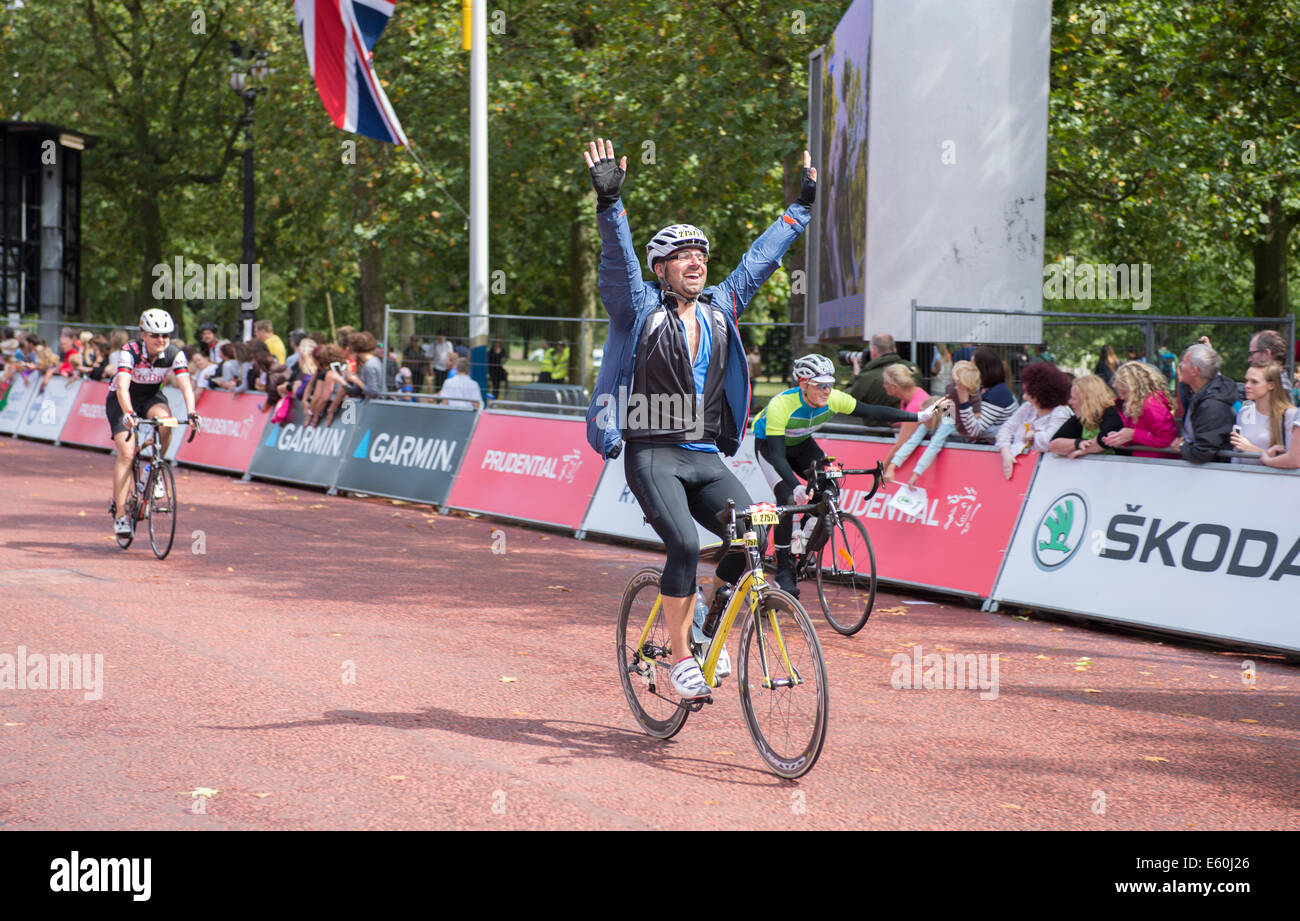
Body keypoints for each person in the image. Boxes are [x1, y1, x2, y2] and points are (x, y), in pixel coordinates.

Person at [583, 137, 815, 701]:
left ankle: (709, 622)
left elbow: (757, 262)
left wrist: (800, 209)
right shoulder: (636, 309)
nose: (696, 261)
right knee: (684, 545)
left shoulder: (720, 309)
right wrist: (611, 205)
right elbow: (618, 264)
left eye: (701, 255)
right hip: (652, 450)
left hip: (705, 454)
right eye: (682, 255)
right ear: (662, 269)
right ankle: (681, 657)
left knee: (757, 531)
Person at [754, 354, 941, 594]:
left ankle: (801, 538)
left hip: (801, 444)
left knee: (830, 486)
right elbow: (779, 457)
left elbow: (873, 411)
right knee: (788, 498)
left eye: (830, 384)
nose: (827, 390)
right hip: (771, 447)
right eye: (820, 385)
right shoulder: (781, 404)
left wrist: (918, 416)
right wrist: (796, 486)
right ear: (803, 384)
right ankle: (782, 570)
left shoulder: (834, 399)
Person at [108, 309, 201, 538]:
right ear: (143, 335)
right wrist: (129, 413)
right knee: (127, 453)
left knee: (167, 422)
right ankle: (120, 515)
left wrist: (191, 411)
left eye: (165, 336)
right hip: (123, 398)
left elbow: (185, 384)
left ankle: (156, 469)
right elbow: (122, 387)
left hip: (151, 396)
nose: (161, 340)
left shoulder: (174, 354)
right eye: (155, 335)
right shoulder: (129, 352)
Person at [995, 362, 1073, 479]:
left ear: (1040, 394)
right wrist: (1006, 453)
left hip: (1048, 473)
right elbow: (1006, 429)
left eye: (1028, 392)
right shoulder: (1028, 407)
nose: (1024, 397)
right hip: (1023, 469)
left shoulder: (1061, 412)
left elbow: (1049, 443)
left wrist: (1033, 435)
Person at [1173, 344, 1236, 463]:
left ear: (1195, 371)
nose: (1180, 365)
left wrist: (1182, 447)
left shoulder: (1212, 404)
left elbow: (1203, 452)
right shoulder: (1197, 394)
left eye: (1184, 362)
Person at [1100, 361, 1177, 458]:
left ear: (1136, 389)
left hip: (1158, 463)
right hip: (1145, 461)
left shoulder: (1151, 405)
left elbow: (1168, 439)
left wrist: (1133, 435)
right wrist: (1121, 438)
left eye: (1124, 393)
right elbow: (1143, 436)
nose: (1122, 398)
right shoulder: (1136, 405)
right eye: (1119, 393)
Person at [1228, 361, 1296, 465]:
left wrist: (1253, 450)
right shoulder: (1245, 411)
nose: (1247, 386)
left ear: (1271, 385)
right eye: (1246, 381)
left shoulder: (1289, 414)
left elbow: (1293, 459)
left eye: (1254, 382)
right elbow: (1236, 453)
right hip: (1242, 476)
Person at [1048, 374, 1124, 458]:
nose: (1069, 402)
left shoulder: (1112, 413)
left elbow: (1104, 440)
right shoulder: (1081, 417)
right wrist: (1078, 443)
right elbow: (1053, 445)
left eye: (1073, 398)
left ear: (1087, 400)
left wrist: (1084, 449)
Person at [956, 346, 1019, 442]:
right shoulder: (983, 388)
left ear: (983, 369)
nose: (968, 369)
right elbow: (951, 420)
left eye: (972, 366)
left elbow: (974, 430)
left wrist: (963, 400)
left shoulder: (999, 392)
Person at [845, 333, 921, 407]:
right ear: (895, 349)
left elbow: (846, 400)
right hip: (912, 417)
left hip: (880, 419)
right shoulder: (912, 369)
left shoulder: (867, 377)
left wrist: (855, 376)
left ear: (873, 350)